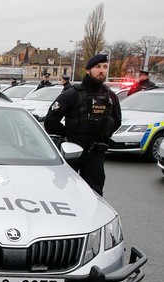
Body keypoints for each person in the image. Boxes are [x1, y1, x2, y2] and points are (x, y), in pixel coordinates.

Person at [43, 54, 121, 196]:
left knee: (94, 195)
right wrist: (68, 135)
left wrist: (101, 135)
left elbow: (116, 121)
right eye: (97, 67)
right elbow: (51, 121)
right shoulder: (72, 94)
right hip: (72, 151)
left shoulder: (110, 96)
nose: (102, 70)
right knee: (66, 193)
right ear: (88, 70)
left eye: (105, 67)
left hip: (96, 153)